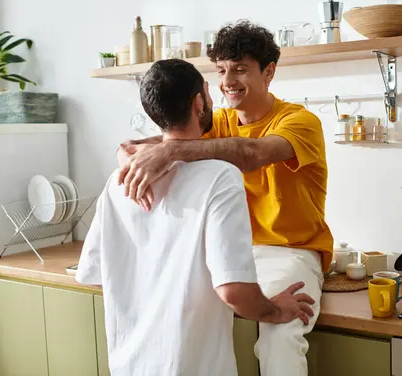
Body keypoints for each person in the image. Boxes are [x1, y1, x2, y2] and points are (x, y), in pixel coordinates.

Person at [117, 20, 334, 376]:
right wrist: (127, 155)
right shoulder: (217, 123)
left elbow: (252, 153)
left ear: (268, 72)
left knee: (280, 335)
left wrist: (170, 154)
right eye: (220, 70)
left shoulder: (300, 121)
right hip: (228, 249)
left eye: (240, 69)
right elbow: (146, 145)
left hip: (289, 250)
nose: (228, 81)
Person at [75, 59, 315, 376]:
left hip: (128, 366)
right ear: (199, 102)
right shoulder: (220, 178)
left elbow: (95, 274)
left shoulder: (120, 181)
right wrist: (273, 310)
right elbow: (234, 292)